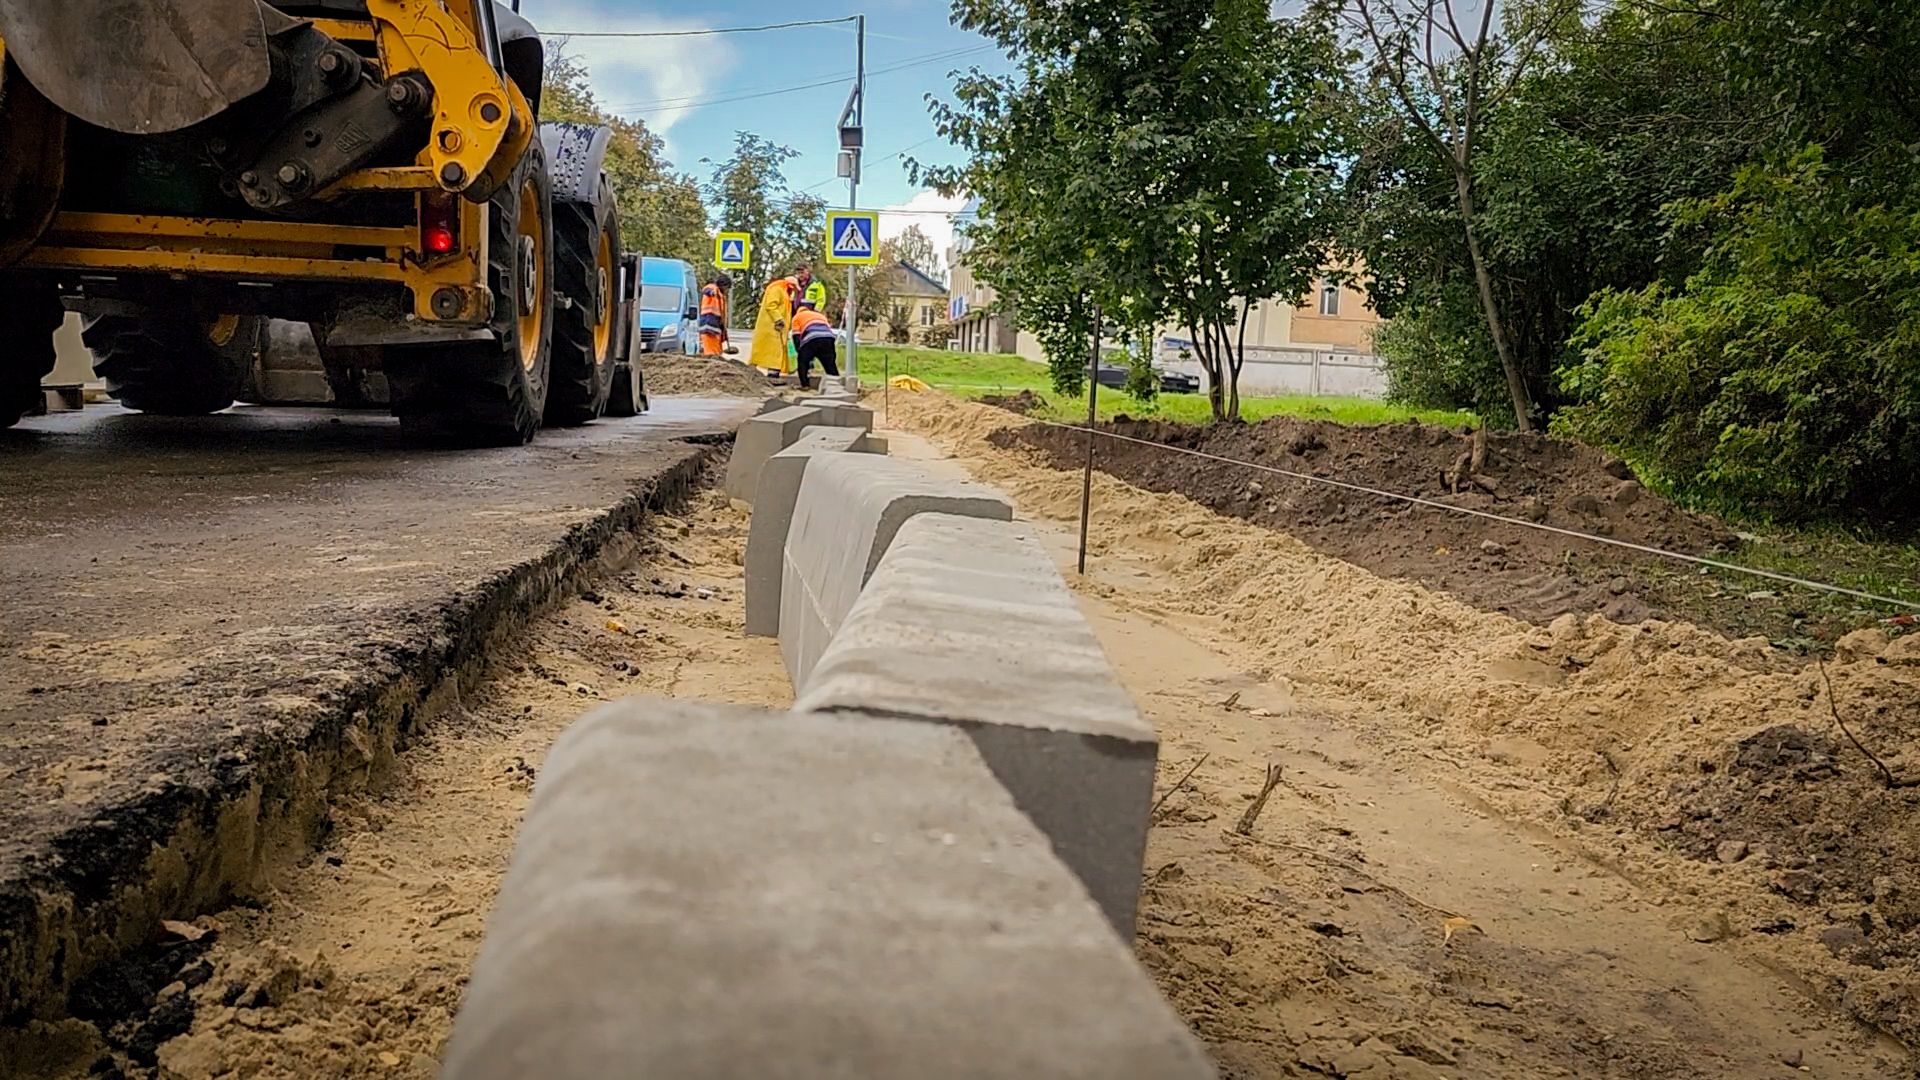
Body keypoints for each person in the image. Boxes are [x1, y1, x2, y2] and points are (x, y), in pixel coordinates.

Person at [748, 271, 804, 374]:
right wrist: (778, 319)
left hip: (776, 327)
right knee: (771, 349)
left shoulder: (783, 291)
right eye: (793, 289)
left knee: (772, 350)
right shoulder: (777, 290)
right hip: (771, 326)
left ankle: (771, 370)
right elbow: (771, 305)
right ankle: (771, 371)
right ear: (790, 286)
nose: (793, 292)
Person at [790, 298, 839, 390]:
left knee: (802, 362)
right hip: (828, 338)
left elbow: (796, 337)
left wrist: (800, 352)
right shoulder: (820, 316)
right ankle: (836, 385)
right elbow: (826, 328)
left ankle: (805, 385)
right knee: (830, 364)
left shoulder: (797, 317)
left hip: (811, 338)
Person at [698, 273, 731, 356]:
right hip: (708, 324)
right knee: (710, 350)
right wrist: (713, 292)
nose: (727, 290)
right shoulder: (713, 288)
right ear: (723, 285)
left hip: (715, 326)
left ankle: (716, 358)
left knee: (717, 350)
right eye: (727, 287)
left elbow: (721, 314)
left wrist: (723, 330)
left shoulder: (721, 296)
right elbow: (706, 290)